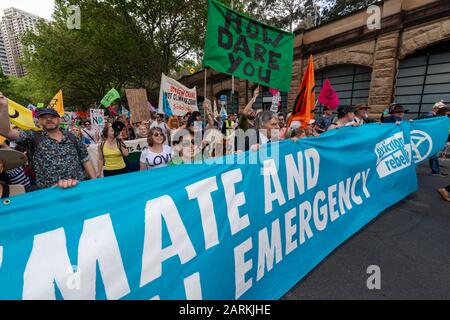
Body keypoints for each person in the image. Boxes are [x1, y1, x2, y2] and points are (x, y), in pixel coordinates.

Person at [0, 92, 96, 189]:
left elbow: (85, 159)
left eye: (53, 116)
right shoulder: (32, 137)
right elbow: (5, 131)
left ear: (59, 120)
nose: (49, 119)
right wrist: (4, 106)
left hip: (77, 188)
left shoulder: (73, 137)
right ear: (39, 121)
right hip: (48, 193)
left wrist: (95, 183)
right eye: (44, 117)